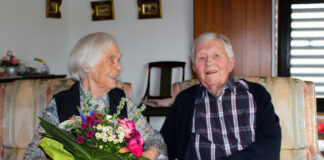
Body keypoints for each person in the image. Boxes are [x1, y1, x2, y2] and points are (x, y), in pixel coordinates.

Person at [23, 32, 167, 160]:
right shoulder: (62, 103)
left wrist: (149, 155)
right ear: (86, 66)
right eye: (111, 59)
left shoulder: (120, 99)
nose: (119, 67)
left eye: (118, 60)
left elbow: (155, 138)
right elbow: (32, 154)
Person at [161, 32, 281, 160]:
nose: (209, 62)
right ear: (194, 69)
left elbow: (269, 149)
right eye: (202, 57)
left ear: (231, 63)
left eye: (216, 55)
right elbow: (163, 144)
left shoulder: (257, 94)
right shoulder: (185, 100)